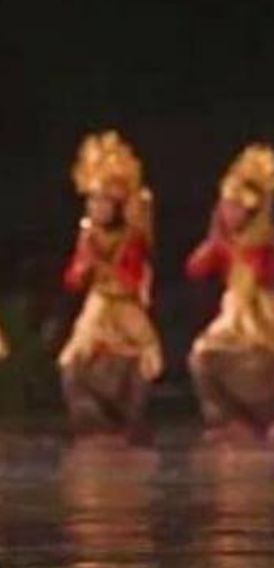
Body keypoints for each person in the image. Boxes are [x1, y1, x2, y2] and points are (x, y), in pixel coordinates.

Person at [187, 143, 274, 443]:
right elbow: (195, 269)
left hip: (259, 313)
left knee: (253, 365)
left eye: (236, 208)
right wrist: (214, 240)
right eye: (225, 207)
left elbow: (265, 272)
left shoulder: (265, 241)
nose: (229, 214)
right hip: (231, 313)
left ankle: (271, 418)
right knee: (202, 356)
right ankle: (226, 420)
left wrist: (229, 248)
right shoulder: (223, 241)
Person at [58, 131, 161, 443]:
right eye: (92, 200)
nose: (96, 207)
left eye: (104, 201)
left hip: (125, 308)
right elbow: (72, 281)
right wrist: (83, 265)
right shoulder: (87, 236)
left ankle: (129, 423)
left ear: (117, 205)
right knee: (70, 361)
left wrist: (101, 263)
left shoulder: (132, 239)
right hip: (96, 307)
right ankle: (92, 424)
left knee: (143, 356)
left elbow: (130, 281)